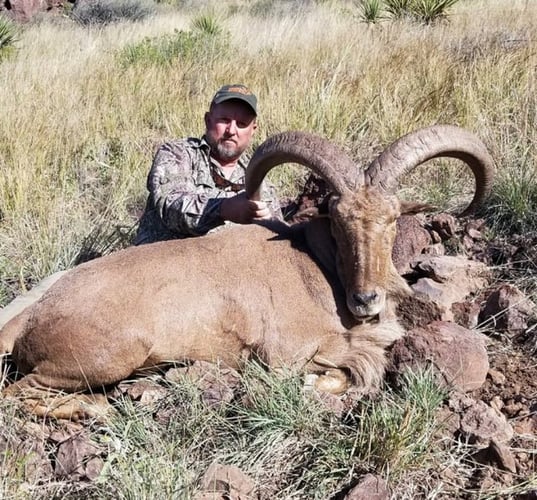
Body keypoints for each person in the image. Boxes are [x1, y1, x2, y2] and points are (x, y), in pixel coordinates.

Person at [133, 84, 282, 245]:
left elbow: (276, 239)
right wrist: (224, 208)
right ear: (208, 120)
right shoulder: (177, 154)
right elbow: (171, 208)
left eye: (241, 124)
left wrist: (268, 222)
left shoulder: (258, 179)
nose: (231, 130)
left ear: (253, 130)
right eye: (224, 120)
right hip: (163, 262)